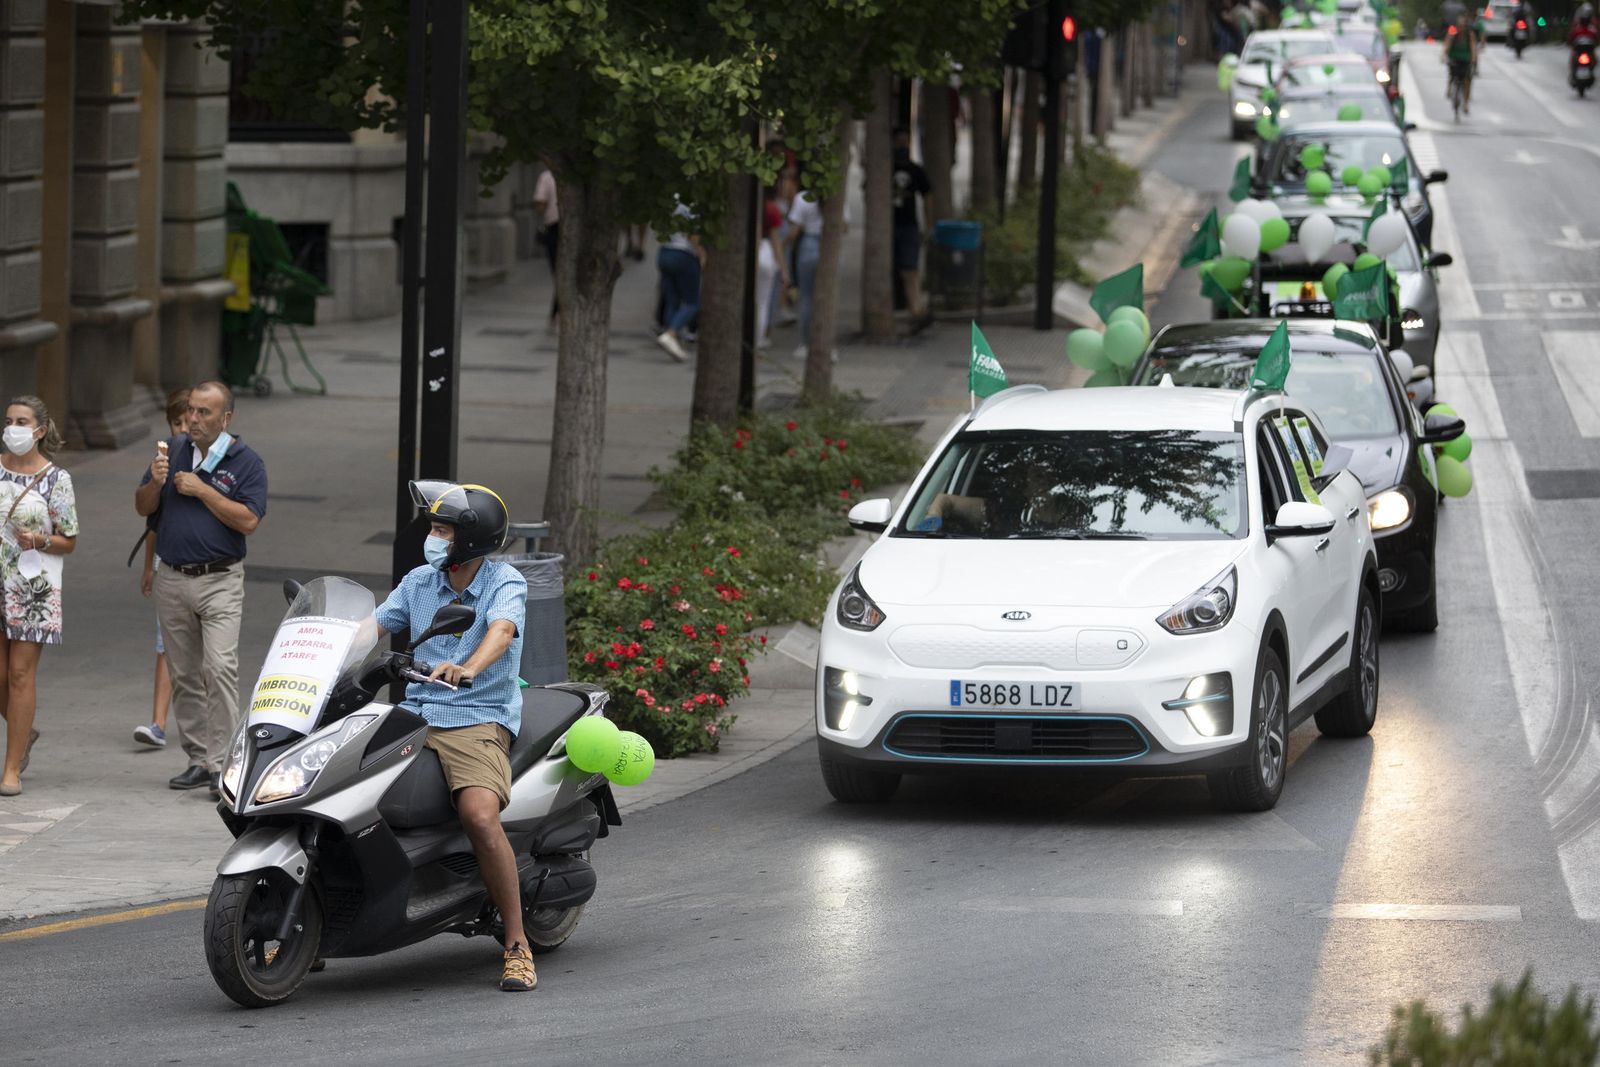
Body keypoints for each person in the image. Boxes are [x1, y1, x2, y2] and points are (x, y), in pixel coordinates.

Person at [373, 480, 533, 991]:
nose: (433, 537)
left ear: (469, 540)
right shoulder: (420, 581)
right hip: (416, 710)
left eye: (443, 529)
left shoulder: (505, 582)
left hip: (476, 715)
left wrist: (467, 668)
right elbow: (372, 627)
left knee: (480, 816)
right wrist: (318, 647)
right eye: (435, 527)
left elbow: (501, 631)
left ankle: (516, 944)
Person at [135, 380, 266, 798]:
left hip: (220, 580)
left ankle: (222, 764)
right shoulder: (170, 451)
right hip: (173, 577)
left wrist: (202, 490)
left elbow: (248, 521)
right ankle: (197, 758)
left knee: (219, 668)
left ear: (225, 418)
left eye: (203, 412)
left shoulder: (247, 462)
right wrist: (155, 484)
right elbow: (143, 508)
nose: (193, 419)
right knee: (184, 672)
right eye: (190, 410)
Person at [0, 397, 77, 797]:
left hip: (32, 590)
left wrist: (40, 538)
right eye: (9, 420)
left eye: (22, 421)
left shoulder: (55, 479)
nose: (13, 427)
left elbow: (70, 541)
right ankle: (23, 731)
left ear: (40, 430)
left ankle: (11, 768)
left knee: (18, 675)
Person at [134, 389, 191, 749]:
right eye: (176, 423)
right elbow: (151, 518)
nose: (183, 429)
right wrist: (148, 568)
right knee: (164, 645)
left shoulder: (218, 460)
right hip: (166, 562)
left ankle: (201, 727)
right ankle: (157, 722)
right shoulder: (162, 462)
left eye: (189, 421)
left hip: (208, 569)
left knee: (204, 655)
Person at [786, 189, 850, 362]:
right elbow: (844, 227)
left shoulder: (802, 198)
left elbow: (793, 231)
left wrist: (788, 248)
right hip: (829, 244)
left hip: (808, 244)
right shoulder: (838, 196)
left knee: (806, 297)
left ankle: (806, 343)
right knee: (828, 298)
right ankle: (828, 344)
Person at [891, 127, 933, 327]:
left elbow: (927, 196)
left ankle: (916, 309)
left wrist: (928, 224)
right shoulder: (886, 169)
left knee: (910, 270)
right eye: (899, 141)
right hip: (889, 227)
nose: (902, 145)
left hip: (908, 226)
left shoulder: (915, 170)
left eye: (905, 141)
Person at [655, 202, 701, 364]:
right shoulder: (692, 203)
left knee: (672, 299)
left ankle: (670, 336)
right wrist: (702, 256)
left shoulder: (670, 200)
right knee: (692, 302)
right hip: (684, 253)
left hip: (665, 250)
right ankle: (671, 333)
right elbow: (693, 234)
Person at [754, 188, 789, 350]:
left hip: (754, 249)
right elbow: (776, 241)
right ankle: (759, 338)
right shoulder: (772, 209)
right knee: (763, 302)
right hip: (766, 251)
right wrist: (783, 269)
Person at [532, 167, 559, 325]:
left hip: (555, 228)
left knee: (558, 273)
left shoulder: (547, 176)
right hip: (574, 228)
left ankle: (556, 311)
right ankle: (557, 310)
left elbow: (541, 204)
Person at [1442, 14, 1477, 112]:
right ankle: (1449, 87)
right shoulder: (1452, 33)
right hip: (1454, 58)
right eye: (1460, 26)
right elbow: (1447, 44)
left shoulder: (1470, 35)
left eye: (1464, 26)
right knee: (1452, 73)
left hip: (1465, 59)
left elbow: (1473, 48)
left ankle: (1465, 103)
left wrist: (1473, 59)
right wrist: (1444, 56)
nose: (1462, 28)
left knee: (1467, 81)